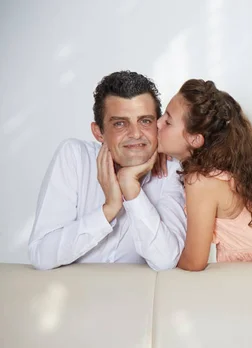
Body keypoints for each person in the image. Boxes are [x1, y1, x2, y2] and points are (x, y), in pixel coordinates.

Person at [28, 71, 187, 271]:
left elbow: (166, 261)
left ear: (157, 126)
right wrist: (109, 209)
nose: (136, 134)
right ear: (98, 132)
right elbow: (42, 255)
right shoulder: (75, 157)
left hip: (131, 299)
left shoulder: (171, 172)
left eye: (145, 121)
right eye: (120, 123)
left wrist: (131, 189)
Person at [156, 79, 252, 271]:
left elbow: (194, 262)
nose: (157, 123)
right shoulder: (227, 165)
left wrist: (159, 258)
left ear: (195, 139)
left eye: (168, 121)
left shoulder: (201, 182)